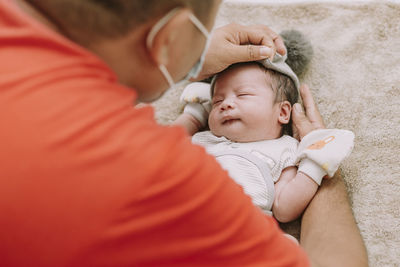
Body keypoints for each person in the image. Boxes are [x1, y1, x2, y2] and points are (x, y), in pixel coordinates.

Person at [0, 0, 368, 266]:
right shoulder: (162, 179)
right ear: (169, 36)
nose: (223, 103)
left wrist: (176, 57)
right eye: (202, 34)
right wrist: (321, 160)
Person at [175, 49, 354, 223]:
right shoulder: (206, 140)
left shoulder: (285, 150)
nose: (226, 104)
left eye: (243, 94)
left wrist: (314, 165)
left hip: (240, 230)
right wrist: (194, 115)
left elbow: (284, 208)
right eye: (217, 101)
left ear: (283, 112)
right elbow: (166, 147)